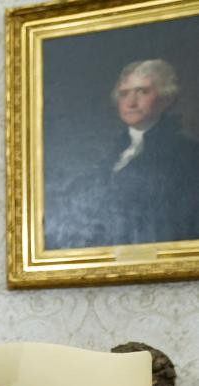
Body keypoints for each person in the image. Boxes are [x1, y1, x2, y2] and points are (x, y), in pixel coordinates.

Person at [45, 58, 199, 249]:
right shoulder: (110, 155)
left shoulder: (188, 154)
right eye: (124, 94)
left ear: (166, 98)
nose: (131, 102)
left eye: (142, 91)